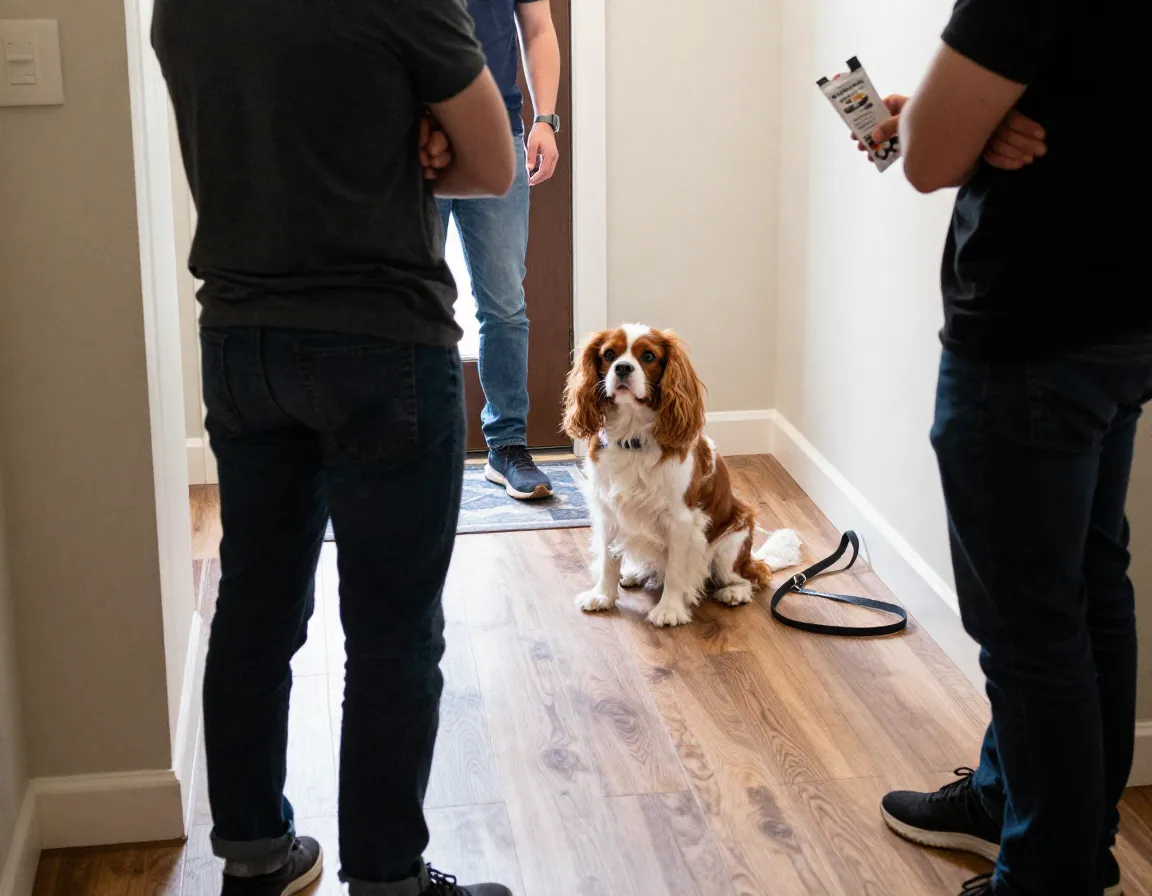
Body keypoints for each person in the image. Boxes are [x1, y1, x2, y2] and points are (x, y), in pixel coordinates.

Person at [151, 1, 518, 893]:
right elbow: (495, 166)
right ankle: (388, 878)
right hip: (380, 337)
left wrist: (413, 138)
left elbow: (261, 134)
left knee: (253, 609)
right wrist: (422, 144)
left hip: (240, 339)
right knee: (393, 631)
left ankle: (254, 856)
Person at [861, 2, 1149, 894]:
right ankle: (1018, 805)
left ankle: (1048, 869)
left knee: (1031, 630)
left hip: (1031, 336)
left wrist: (944, 131)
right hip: (1126, 316)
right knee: (1091, 583)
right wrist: (969, 127)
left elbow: (929, 159)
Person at [438, 0, 562, 501]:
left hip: (498, 132)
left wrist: (545, 119)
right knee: (412, 306)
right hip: (403, 138)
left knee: (505, 305)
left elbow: (537, 28)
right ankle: (419, 447)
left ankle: (507, 446)